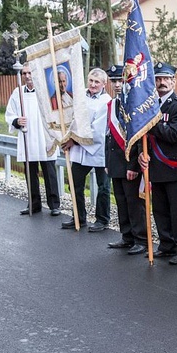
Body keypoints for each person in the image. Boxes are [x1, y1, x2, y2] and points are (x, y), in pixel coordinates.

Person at [140, 61, 177, 264]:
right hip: (155, 166)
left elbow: (172, 134)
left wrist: (151, 122)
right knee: (160, 209)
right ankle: (166, 245)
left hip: (174, 166)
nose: (162, 83)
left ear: (174, 81)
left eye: (166, 79)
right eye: (158, 79)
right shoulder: (150, 105)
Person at [4, 62, 61, 216]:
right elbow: (10, 113)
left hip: (44, 137)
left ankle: (54, 204)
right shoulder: (18, 93)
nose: (27, 76)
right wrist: (16, 121)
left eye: (30, 73)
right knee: (30, 173)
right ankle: (34, 203)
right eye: (24, 73)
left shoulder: (46, 92)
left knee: (49, 172)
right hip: (27, 137)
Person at [61, 67, 112, 231]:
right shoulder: (80, 96)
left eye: (97, 81)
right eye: (91, 80)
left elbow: (97, 131)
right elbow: (72, 118)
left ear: (104, 84)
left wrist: (74, 141)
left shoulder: (106, 101)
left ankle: (102, 219)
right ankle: (78, 216)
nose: (93, 84)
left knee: (103, 186)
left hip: (98, 149)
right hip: (79, 149)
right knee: (75, 183)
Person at [105, 64, 147, 255]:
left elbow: (138, 138)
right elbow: (108, 135)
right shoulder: (113, 104)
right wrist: (107, 162)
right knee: (121, 201)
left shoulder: (134, 103)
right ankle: (127, 236)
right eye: (113, 81)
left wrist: (133, 166)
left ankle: (141, 239)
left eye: (120, 80)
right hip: (115, 161)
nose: (117, 85)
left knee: (134, 203)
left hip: (130, 163)